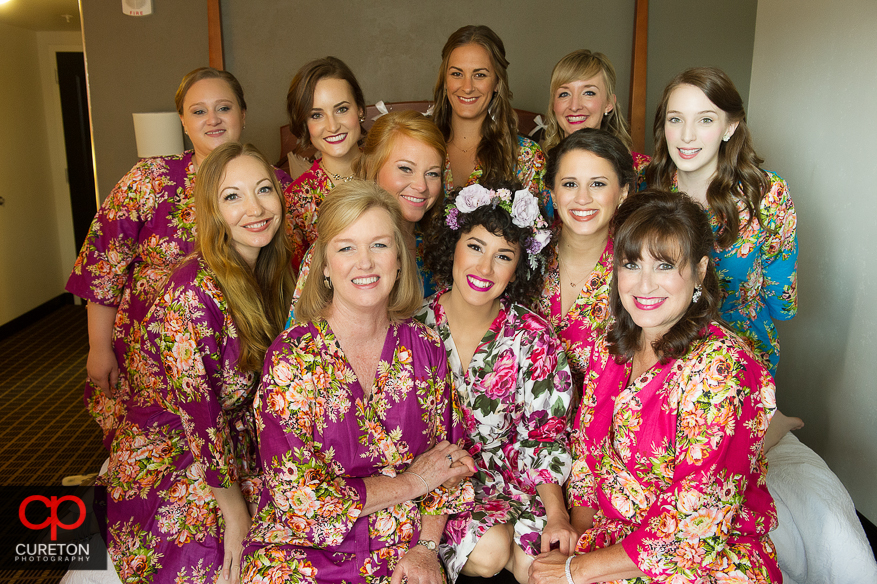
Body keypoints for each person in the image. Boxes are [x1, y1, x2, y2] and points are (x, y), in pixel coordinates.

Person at [529, 191, 781, 584]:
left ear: (699, 272)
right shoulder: (612, 346)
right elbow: (588, 460)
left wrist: (575, 571)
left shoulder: (722, 369)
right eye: (631, 264)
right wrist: (576, 541)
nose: (644, 285)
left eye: (664, 265)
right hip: (616, 543)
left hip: (702, 558)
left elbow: (695, 522)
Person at [242, 181, 475, 584]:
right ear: (326, 266)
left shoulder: (427, 348)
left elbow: (448, 465)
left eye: (379, 245)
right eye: (346, 247)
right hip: (300, 551)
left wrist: (425, 548)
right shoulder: (291, 357)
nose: (364, 262)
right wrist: (410, 482)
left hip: (404, 547)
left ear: (399, 260)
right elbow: (300, 499)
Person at [66, 67, 291, 449]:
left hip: (241, 355)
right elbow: (103, 269)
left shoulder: (276, 187)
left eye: (224, 107)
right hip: (150, 356)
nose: (213, 119)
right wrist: (99, 347)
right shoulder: (149, 179)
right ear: (183, 121)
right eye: (199, 110)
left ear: (243, 114)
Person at [100, 142, 295, 583]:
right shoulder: (193, 293)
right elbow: (200, 417)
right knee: (234, 563)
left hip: (238, 438)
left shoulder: (272, 269)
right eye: (233, 196)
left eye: (264, 189)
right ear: (211, 210)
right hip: (177, 447)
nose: (255, 208)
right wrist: (234, 513)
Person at [417, 181, 574, 583]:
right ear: (452, 244)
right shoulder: (412, 327)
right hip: (442, 485)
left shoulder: (534, 335)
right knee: (489, 552)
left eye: (503, 256)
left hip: (516, 478)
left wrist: (557, 514)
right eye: (475, 247)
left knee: (536, 568)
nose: (484, 269)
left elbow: (544, 438)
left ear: (518, 269)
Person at [642, 66, 797, 375]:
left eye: (705, 120)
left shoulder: (765, 194)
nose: (687, 135)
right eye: (676, 119)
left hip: (742, 348)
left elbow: (782, 292)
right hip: (660, 347)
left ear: (730, 127)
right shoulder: (646, 188)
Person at [292, 110, 446, 303]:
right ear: (371, 168)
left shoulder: (439, 248)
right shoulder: (337, 248)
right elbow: (303, 328)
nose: (421, 186)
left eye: (432, 173)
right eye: (405, 169)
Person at [535, 128, 635, 393]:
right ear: (553, 194)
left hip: (608, 426)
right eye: (570, 184)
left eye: (598, 184)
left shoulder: (639, 270)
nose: (582, 198)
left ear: (623, 192)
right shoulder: (526, 255)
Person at [432, 25, 551, 216]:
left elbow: (540, 237)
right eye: (457, 74)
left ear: (497, 82)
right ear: (445, 81)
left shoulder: (526, 157)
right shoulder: (421, 146)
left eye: (480, 75)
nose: (467, 87)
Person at [284, 56, 367, 270]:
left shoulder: (394, 169)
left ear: (360, 109)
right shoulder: (296, 201)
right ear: (304, 123)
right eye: (316, 115)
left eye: (341, 109)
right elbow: (299, 282)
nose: (332, 126)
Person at [541, 50, 650, 173]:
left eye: (588, 93)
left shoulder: (644, 171)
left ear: (608, 103)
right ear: (553, 105)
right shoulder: (535, 168)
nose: (574, 106)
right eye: (564, 94)